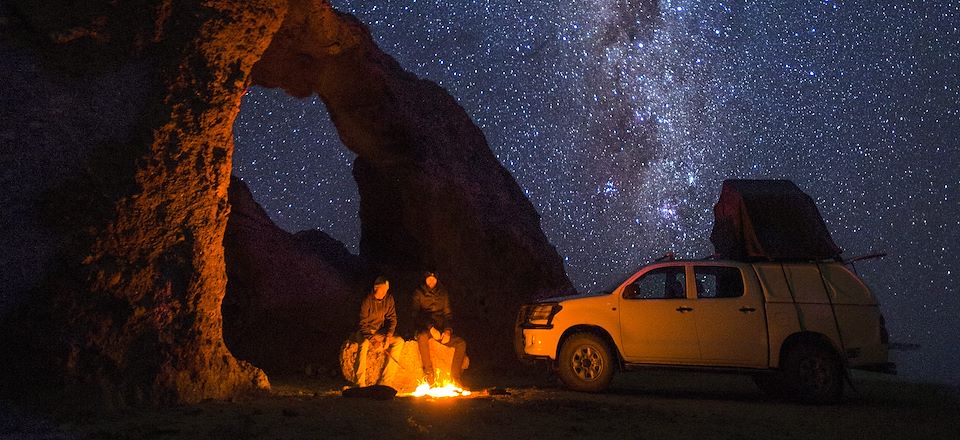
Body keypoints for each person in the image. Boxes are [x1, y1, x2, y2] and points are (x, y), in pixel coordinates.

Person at [412, 271, 467, 386]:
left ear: (437, 279)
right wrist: (430, 328)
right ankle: (429, 373)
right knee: (421, 337)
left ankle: (455, 377)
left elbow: (448, 315)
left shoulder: (443, 293)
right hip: (426, 328)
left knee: (461, 343)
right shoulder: (418, 292)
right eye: (429, 278)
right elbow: (416, 315)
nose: (431, 281)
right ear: (425, 279)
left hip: (441, 328)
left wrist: (447, 331)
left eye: (433, 279)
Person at [356, 276, 404, 387]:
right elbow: (362, 324)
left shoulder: (389, 299)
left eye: (386, 290)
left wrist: (388, 336)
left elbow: (392, 319)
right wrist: (372, 340)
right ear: (375, 288)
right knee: (363, 345)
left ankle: (385, 381)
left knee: (399, 341)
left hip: (379, 332)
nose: (384, 293)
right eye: (382, 290)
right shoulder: (367, 300)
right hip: (365, 332)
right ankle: (360, 383)